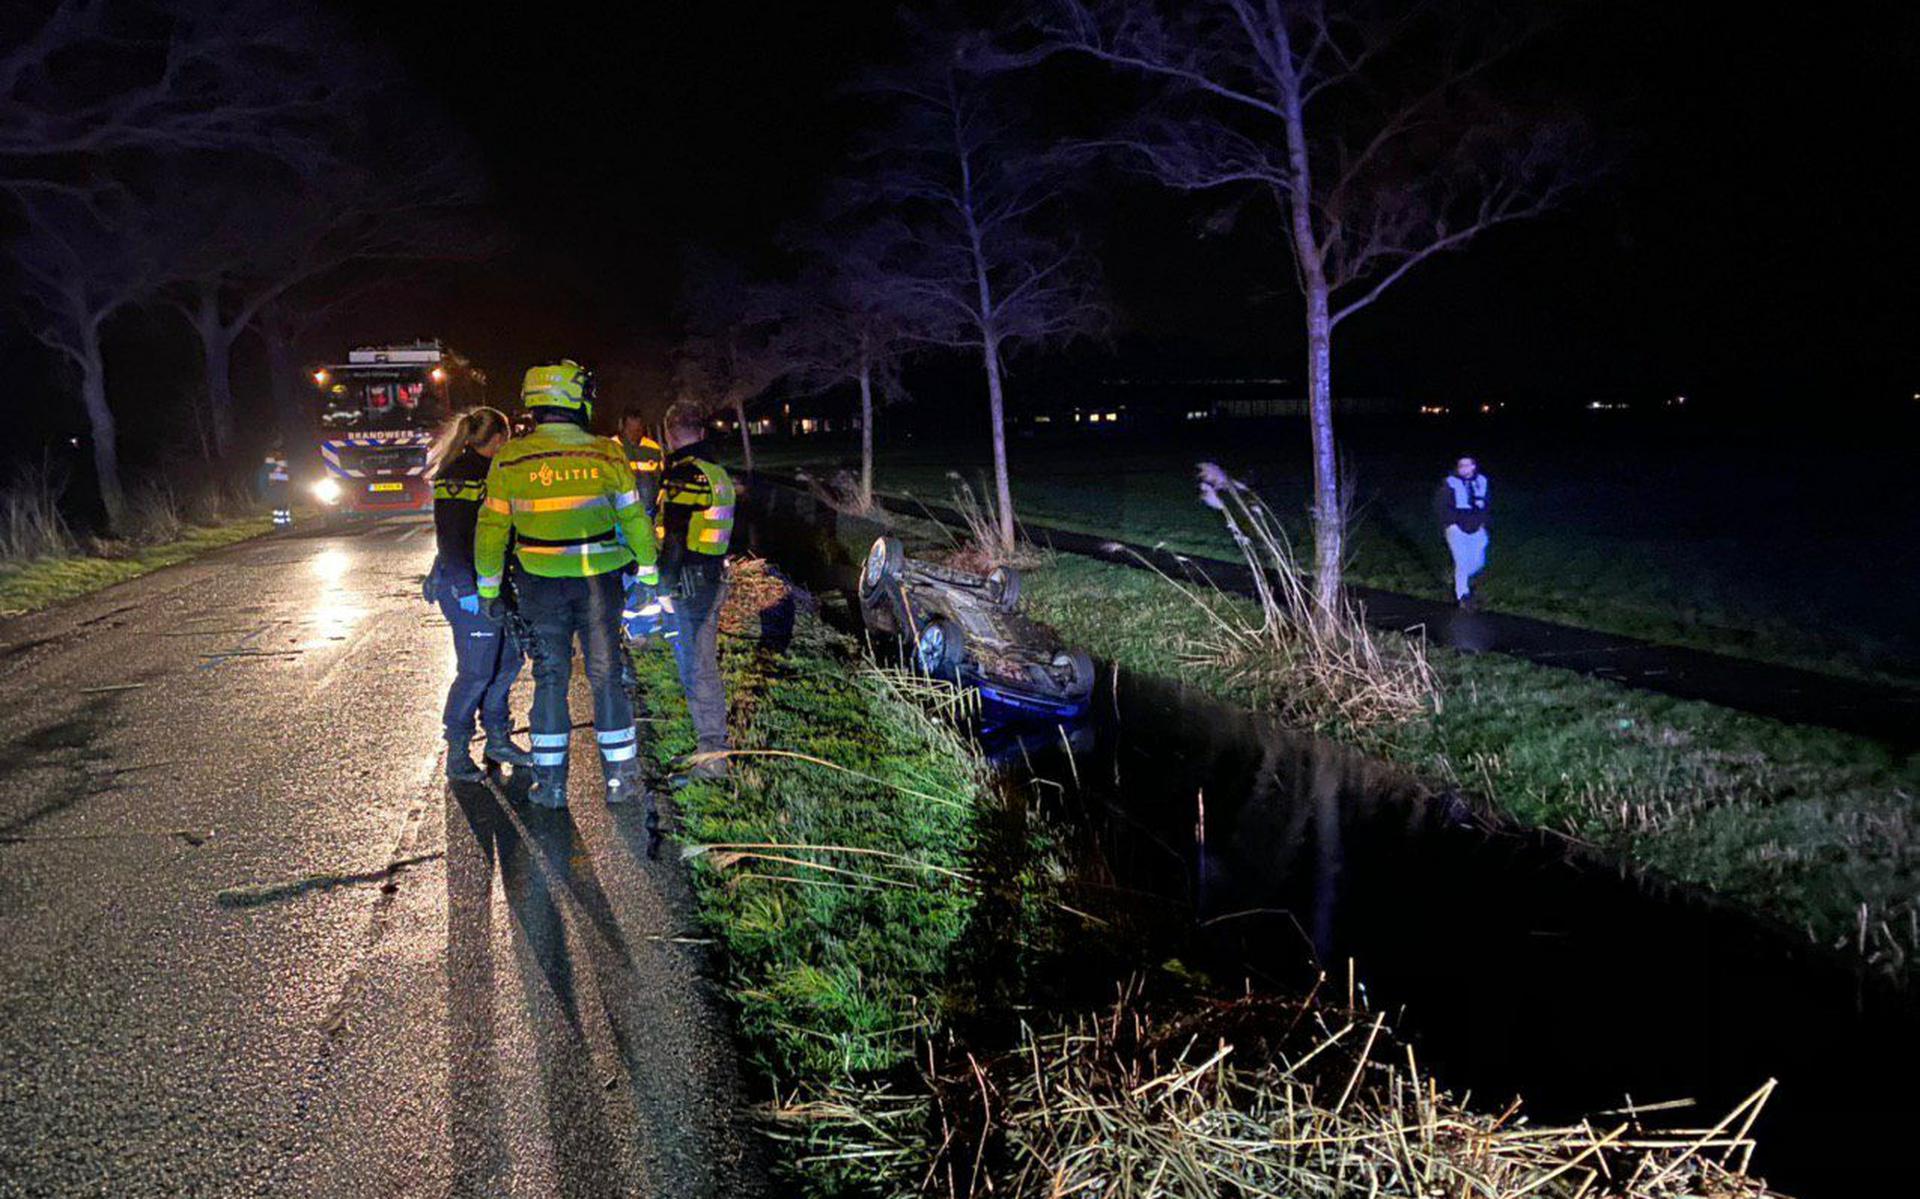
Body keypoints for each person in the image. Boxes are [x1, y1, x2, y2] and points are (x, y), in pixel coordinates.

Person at [474, 360, 659, 810]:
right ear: (575, 399)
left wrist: (489, 591)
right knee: (606, 677)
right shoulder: (606, 453)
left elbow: (492, 529)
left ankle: (552, 787)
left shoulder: (510, 458)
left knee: (550, 678)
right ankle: (620, 782)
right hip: (599, 584)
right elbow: (634, 519)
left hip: (538, 584)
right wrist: (649, 574)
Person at [426, 407, 532, 782]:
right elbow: (451, 538)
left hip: (492, 586)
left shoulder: (492, 473)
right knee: (475, 673)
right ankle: (457, 751)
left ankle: (498, 738)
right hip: (467, 590)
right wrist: (464, 587)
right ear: (499, 438)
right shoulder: (459, 475)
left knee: (507, 662)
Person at [656, 403, 736, 782]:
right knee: (701, 663)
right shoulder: (716, 472)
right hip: (713, 573)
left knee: (698, 667)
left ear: (670, 433)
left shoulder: (684, 475)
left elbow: (674, 537)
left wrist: (663, 585)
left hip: (692, 580)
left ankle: (712, 757)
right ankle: (711, 749)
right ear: (701, 432)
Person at [1433, 455, 1490, 609]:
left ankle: (1457, 578)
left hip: (1476, 527)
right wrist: (1450, 524)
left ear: (1473, 466)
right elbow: (1440, 506)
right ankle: (1462, 595)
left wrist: (1483, 523)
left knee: (1478, 562)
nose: (1464, 468)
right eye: (1461, 466)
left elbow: (1485, 504)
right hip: (1456, 528)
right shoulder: (1450, 483)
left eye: (1468, 465)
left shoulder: (1481, 482)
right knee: (1462, 562)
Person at [616, 403, 667, 518]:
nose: (635, 435)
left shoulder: (652, 448)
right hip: (620, 516)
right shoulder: (611, 448)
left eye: (638, 430)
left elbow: (661, 481)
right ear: (622, 427)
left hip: (649, 513)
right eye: (630, 431)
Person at [259, 444, 292, 528]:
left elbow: (285, 475)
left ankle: (285, 524)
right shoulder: (273, 463)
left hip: (281, 488)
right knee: (279, 507)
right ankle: (281, 525)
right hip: (277, 488)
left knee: (284, 506)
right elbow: (269, 476)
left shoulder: (280, 462)